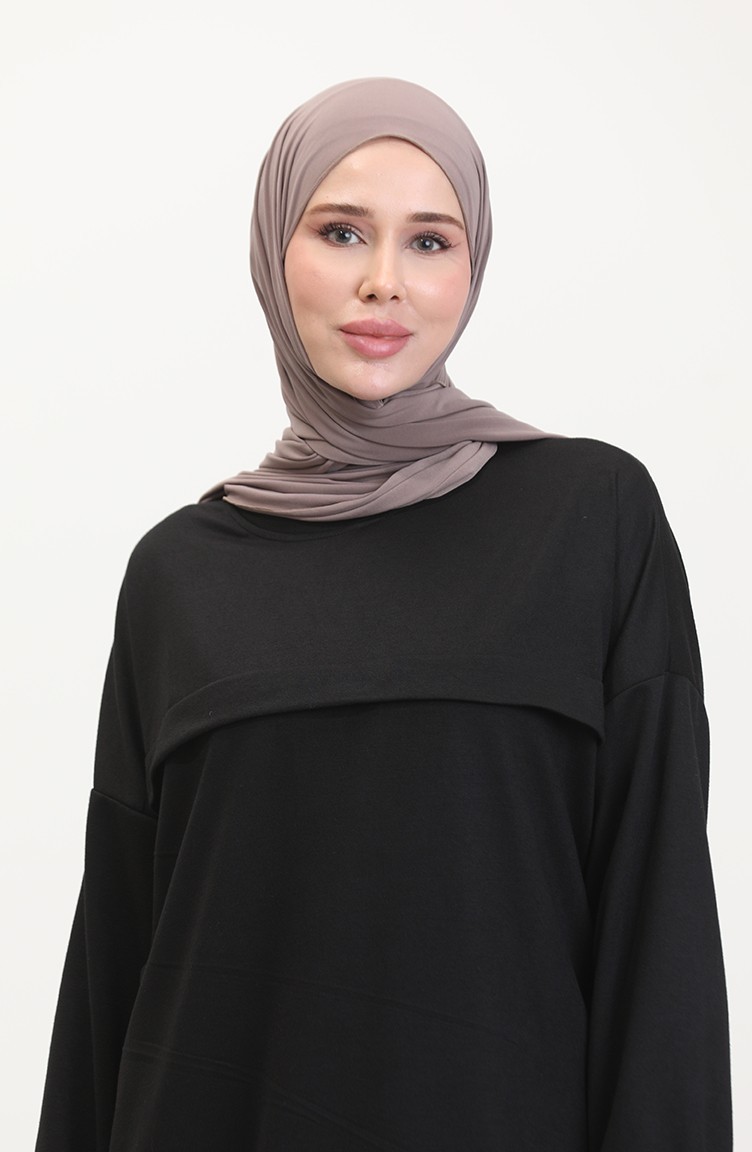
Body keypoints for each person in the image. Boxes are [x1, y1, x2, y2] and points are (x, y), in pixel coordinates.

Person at [35, 77, 732, 1151]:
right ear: (274, 251)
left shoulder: (590, 521)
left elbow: (660, 935)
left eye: (429, 241)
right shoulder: (179, 573)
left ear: (472, 266)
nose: (382, 282)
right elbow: (112, 970)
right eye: (341, 231)